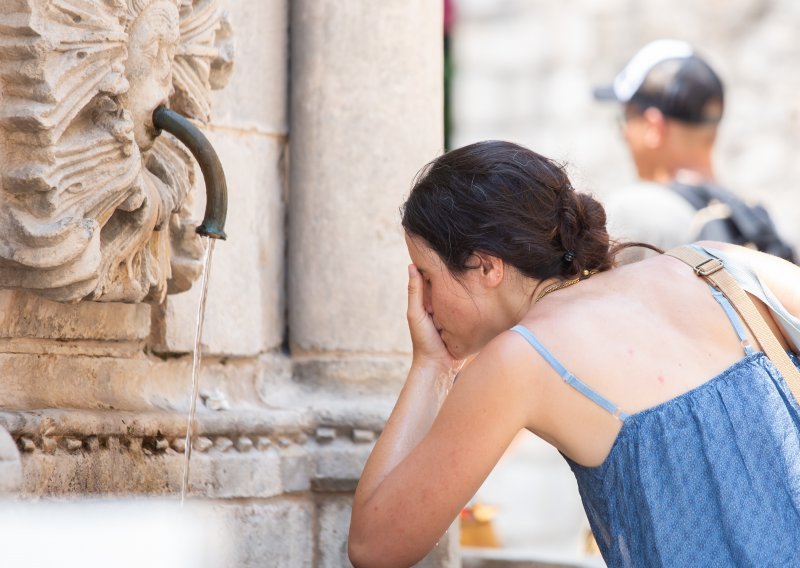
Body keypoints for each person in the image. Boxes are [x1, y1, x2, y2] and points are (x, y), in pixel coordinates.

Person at [347, 140, 800, 567]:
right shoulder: (717, 265)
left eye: (426, 277)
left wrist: (431, 366)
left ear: (486, 266)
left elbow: (375, 547)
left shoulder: (517, 361)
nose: (421, 304)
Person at [594, 39, 796, 262]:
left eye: (626, 118)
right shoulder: (750, 217)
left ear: (654, 127)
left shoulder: (630, 213)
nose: (624, 135)